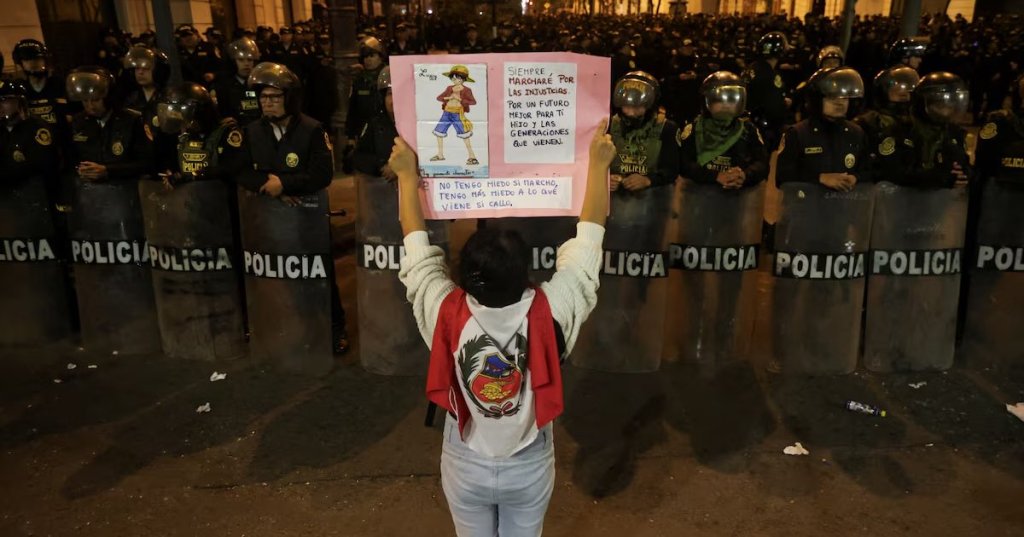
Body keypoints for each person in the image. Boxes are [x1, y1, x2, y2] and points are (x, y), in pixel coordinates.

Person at [393, 117, 615, 537]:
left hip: (465, 458)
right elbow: (590, 239)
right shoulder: (552, 311)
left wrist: (406, 175)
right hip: (528, 462)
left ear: (461, 275)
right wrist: (598, 166)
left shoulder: (444, 310)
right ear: (525, 273)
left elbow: (415, 244)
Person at [236, 62, 348, 354]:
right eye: (263, 97)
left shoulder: (312, 130)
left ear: (290, 98)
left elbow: (322, 174)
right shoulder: (251, 132)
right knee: (281, 278)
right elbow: (240, 170)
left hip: (306, 220)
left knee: (319, 275)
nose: (268, 103)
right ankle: (289, 327)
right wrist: (269, 186)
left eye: (274, 97)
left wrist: (284, 185)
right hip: (269, 221)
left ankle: (334, 331)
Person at [776, 67, 871, 191]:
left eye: (844, 98)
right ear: (816, 100)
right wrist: (820, 178)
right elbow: (782, 176)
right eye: (832, 97)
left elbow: (870, 171)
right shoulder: (797, 133)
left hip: (845, 206)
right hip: (804, 206)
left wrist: (856, 178)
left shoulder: (857, 133)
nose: (840, 103)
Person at [679, 71, 768, 189]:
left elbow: (762, 164)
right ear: (706, 102)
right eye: (718, 100)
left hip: (738, 195)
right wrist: (715, 176)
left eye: (732, 100)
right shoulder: (694, 129)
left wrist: (743, 176)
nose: (726, 105)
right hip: (700, 194)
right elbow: (683, 164)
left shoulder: (748, 129)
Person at [65, 66, 152, 185]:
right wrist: (79, 170)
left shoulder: (132, 120)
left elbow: (146, 163)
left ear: (108, 97)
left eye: (95, 100)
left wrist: (108, 170)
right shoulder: (78, 122)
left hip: (125, 189)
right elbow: (69, 159)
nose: (90, 105)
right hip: (87, 191)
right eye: (85, 100)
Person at [608, 71, 680, 192]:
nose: (630, 112)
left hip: (653, 197)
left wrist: (649, 180)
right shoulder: (609, 125)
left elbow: (672, 170)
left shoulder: (666, 128)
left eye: (637, 107)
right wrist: (605, 178)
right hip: (614, 196)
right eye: (626, 106)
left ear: (650, 106)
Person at [744, 31, 792, 151]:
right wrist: (783, 104)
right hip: (762, 128)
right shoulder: (771, 75)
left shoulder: (751, 68)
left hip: (747, 124)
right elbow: (774, 108)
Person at [430, 64, 479, 166]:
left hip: (458, 114)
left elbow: (473, 102)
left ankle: (472, 156)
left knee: (464, 134)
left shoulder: (466, 90)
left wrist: (460, 99)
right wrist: (448, 98)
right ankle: (440, 155)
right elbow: (439, 98)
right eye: (453, 78)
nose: (455, 80)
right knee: (439, 132)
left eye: (457, 78)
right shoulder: (449, 88)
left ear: (463, 79)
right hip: (446, 113)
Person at [211, 37, 262, 126]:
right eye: (241, 60)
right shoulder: (222, 86)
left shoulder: (259, 84)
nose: (246, 64)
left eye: (250, 60)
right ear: (233, 62)